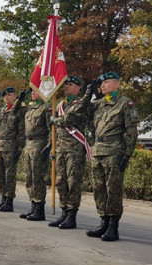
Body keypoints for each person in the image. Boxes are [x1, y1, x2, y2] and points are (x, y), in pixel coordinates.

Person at [84, 72, 139, 242]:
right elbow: (79, 112)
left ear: (116, 84)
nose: (102, 86)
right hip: (98, 151)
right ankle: (103, 222)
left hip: (114, 152)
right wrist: (87, 94)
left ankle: (113, 226)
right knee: (99, 189)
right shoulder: (98, 103)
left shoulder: (125, 103)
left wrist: (127, 155)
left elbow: (131, 132)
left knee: (112, 189)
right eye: (101, 84)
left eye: (106, 82)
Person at [48, 76, 88, 229]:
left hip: (74, 149)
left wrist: (55, 120)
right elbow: (56, 130)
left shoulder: (79, 104)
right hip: (60, 148)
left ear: (78, 88)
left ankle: (72, 215)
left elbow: (68, 120)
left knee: (73, 182)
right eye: (65, 84)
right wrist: (52, 146)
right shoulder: (60, 105)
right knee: (60, 181)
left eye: (70, 84)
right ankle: (63, 211)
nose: (66, 87)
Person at [0, 87, 27, 212]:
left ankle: (9, 201)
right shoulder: (1, 111)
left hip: (11, 147)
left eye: (10, 95)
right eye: (5, 95)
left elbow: (21, 130)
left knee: (9, 175)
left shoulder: (18, 110)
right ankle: (3, 198)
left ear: (15, 96)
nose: (7, 97)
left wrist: (20, 147)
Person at [22, 88, 52, 221]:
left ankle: (40, 209)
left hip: (40, 144)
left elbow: (50, 129)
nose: (33, 92)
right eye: (32, 90)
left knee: (38, 177)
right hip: (29, 145)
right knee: (29, 178)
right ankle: (33, 205)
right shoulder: (30, 109)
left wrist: (49, 146)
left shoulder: (46, 108)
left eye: (36, 90)